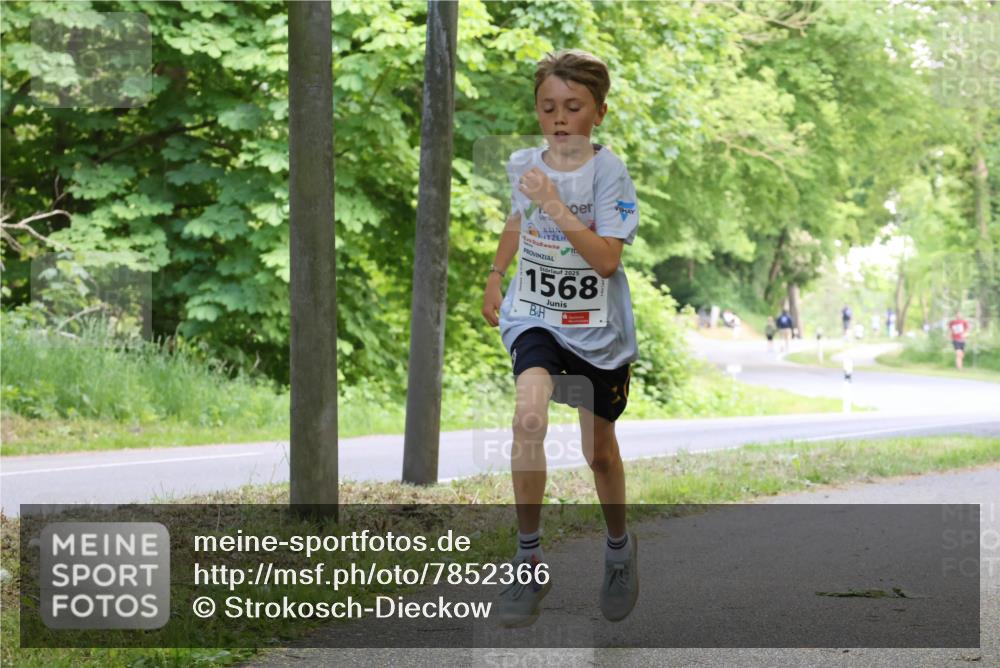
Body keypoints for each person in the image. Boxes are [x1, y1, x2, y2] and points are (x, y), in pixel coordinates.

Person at [481, 49, 639, 627]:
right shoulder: (527, 162)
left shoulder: (609, 173)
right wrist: (497, 276)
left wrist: (555, 200)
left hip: (597, 330)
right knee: (528, 417)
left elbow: (603, 261)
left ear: (598, 111)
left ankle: (620, 550)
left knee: (597, 454)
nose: (559, 118)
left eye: (573, 107)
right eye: (548, 107)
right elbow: (518, 219)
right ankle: (528, 562)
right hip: (537, 315)